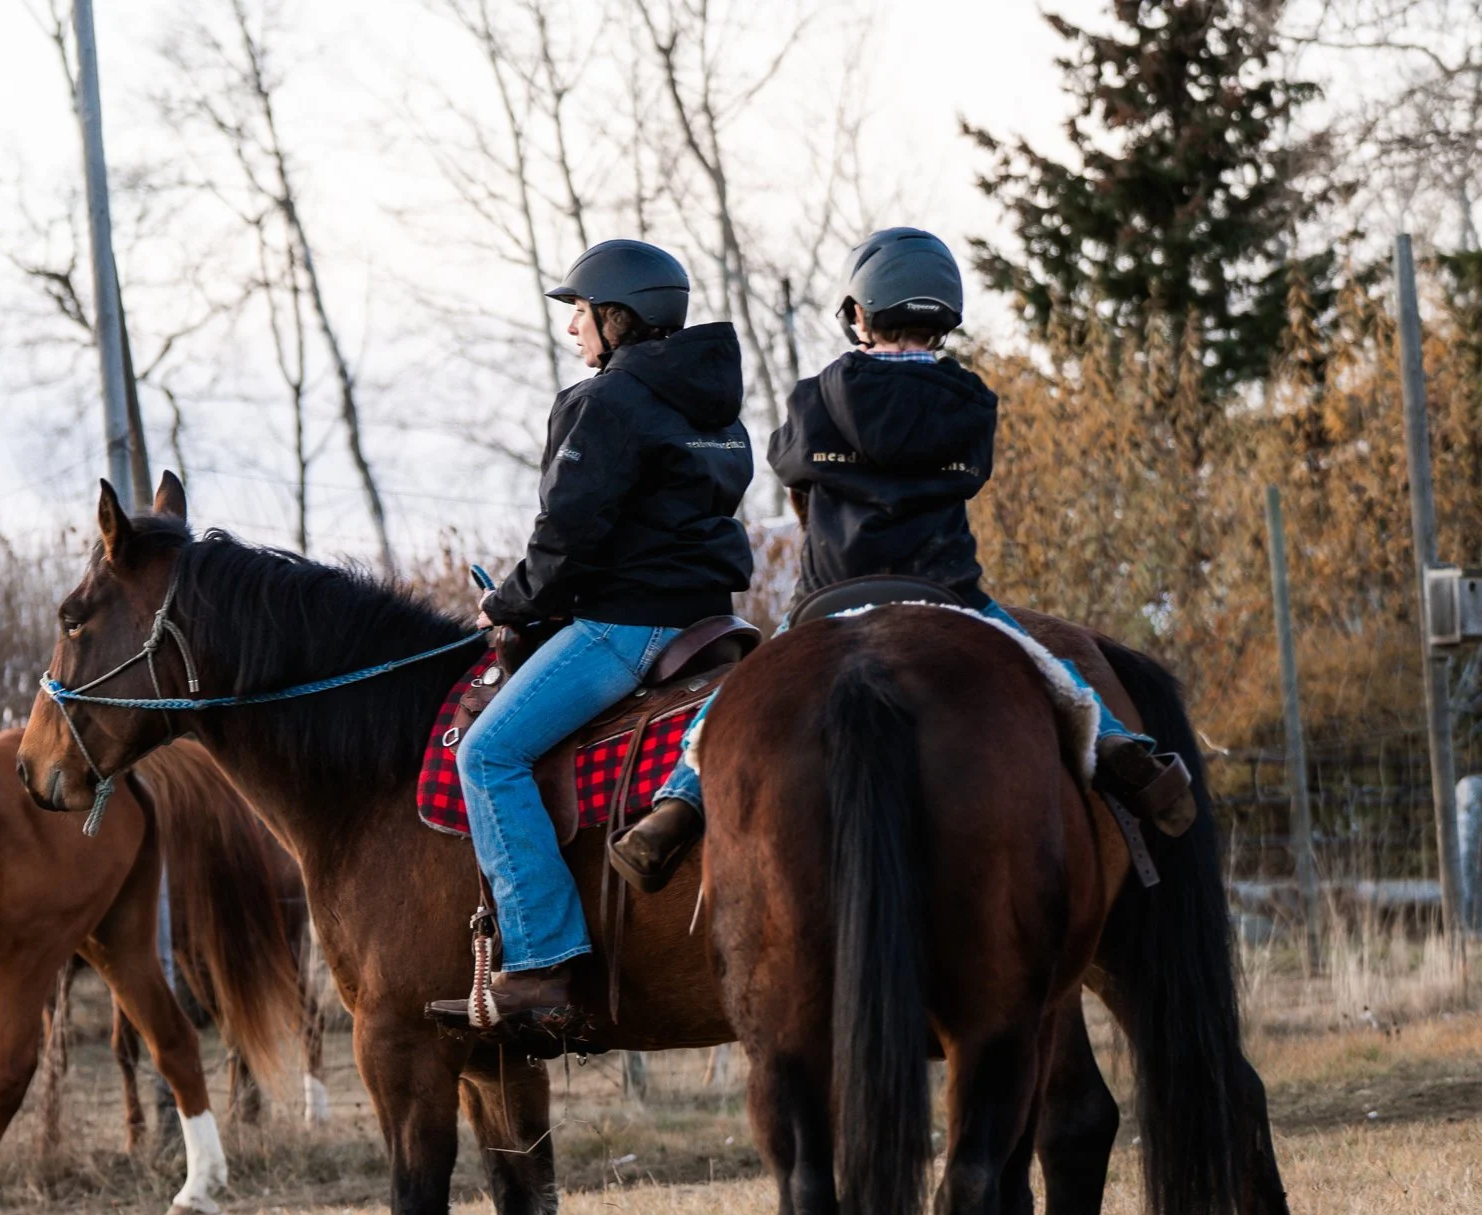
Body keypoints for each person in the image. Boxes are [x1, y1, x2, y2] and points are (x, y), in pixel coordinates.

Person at [607, 226, 1198, 894]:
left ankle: (677, 805)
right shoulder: (971, 403)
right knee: (1053, 671)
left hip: (833, 596)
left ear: (858, 312)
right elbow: (969, 475)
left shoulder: (814, 396)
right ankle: (1124, 750)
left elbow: (784, 460)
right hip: (946, 593)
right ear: (945, 314)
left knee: (736, 696)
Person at [459, 239, 756, 1023]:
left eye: (581, 313)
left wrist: (509, 604)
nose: (573, 330)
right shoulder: (716, 409)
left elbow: (567, 536)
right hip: (711, 616)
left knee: (489, 754)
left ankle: (543, 959)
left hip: (629, 626)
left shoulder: (604, 403)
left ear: (617, 317)